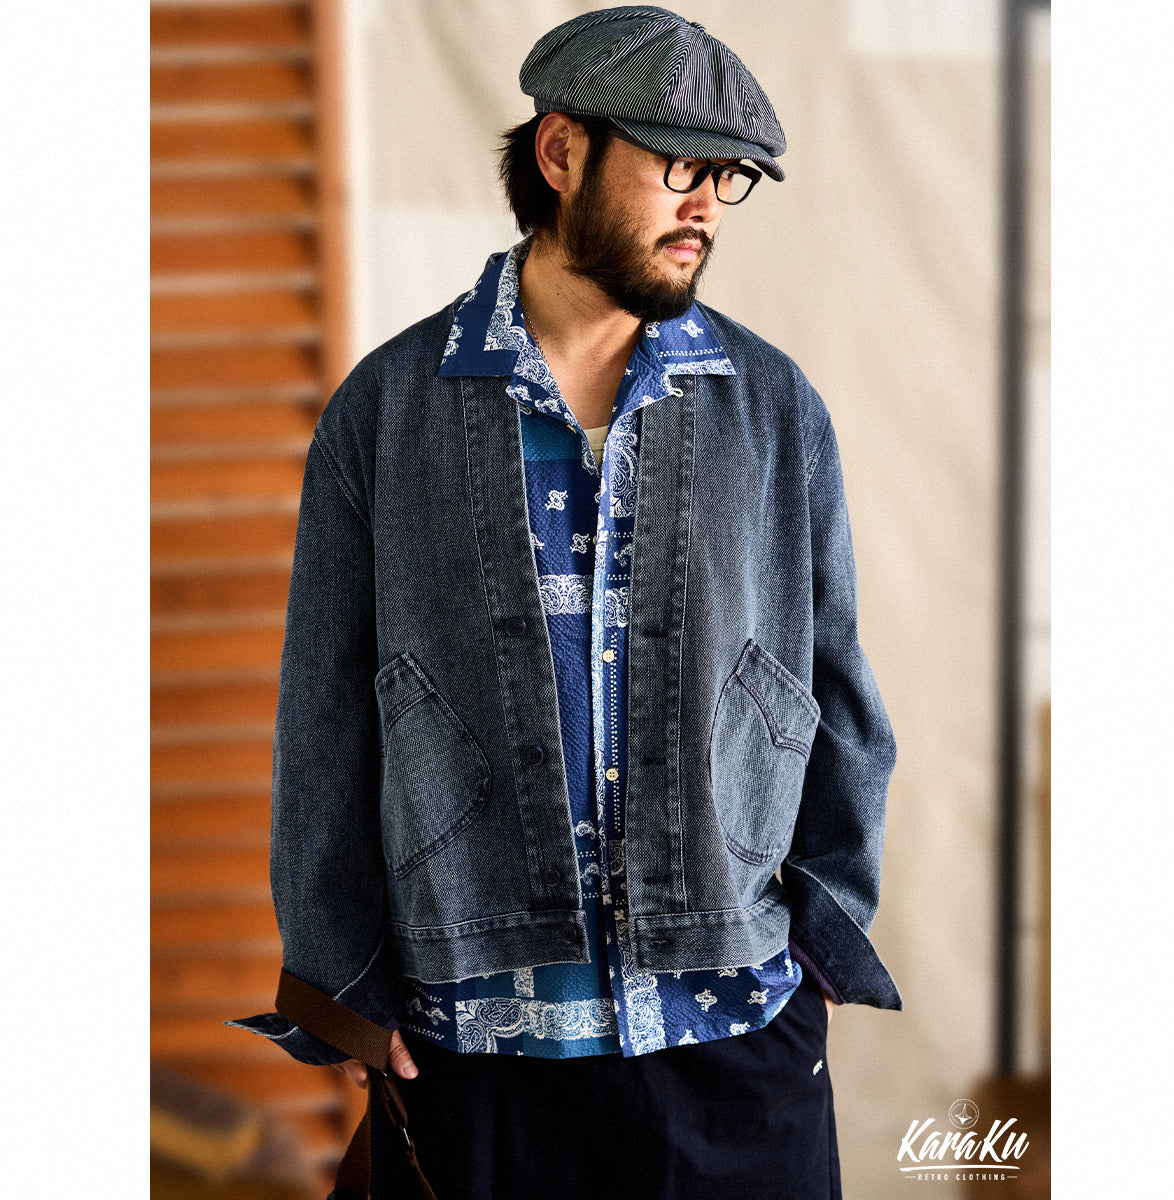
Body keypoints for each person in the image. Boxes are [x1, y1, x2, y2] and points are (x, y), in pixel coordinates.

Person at [231, 7, 899, 1197]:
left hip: (734, 1037)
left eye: (727, 178)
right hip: (480, 1056)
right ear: (560, 153)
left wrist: (822, 945)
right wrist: (341, 983)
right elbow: (325, 717)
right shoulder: (386, 413)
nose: (706, 206)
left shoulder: (774, 409)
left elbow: (835, 690)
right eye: (678, 168)